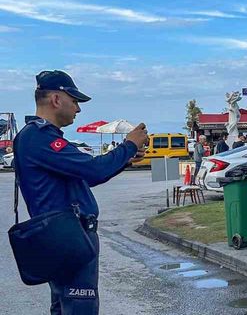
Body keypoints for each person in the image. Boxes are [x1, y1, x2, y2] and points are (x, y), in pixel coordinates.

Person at [12, 70, 148, 315]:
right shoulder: (39, 137)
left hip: (62, 237)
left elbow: (83, 178)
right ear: (56, 99)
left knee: (65, 306)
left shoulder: (37, 137)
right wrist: (129, 145)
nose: (78, 109)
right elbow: (93, 170)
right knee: (79, 308)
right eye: (74, 101)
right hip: (69, 237)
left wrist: (125, 159)